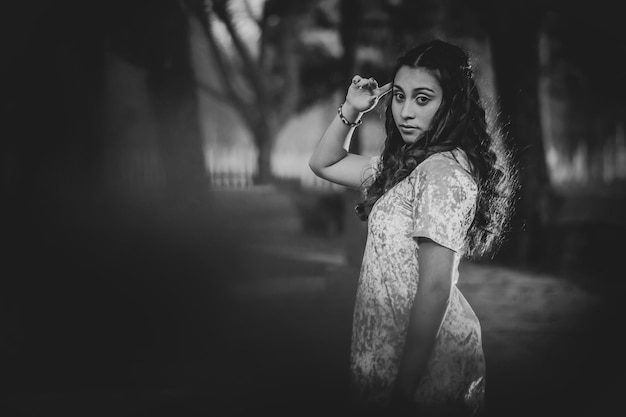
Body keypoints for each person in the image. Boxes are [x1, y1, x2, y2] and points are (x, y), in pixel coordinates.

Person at [308, 39, 518, 416]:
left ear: (452, 104)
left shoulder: (444, 175)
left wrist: (405, 390)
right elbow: (324, 163)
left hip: (425, 370)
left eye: (423, 99)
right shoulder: (408, 167)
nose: (405, 111)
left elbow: (437, 286)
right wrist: (352, 111)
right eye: (400, 96)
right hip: (391, 355)